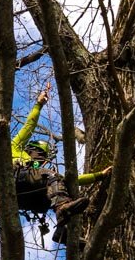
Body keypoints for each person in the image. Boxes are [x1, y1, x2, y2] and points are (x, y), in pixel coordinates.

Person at [10, 83, 106, 243]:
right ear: (30, 149)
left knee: (57, 184)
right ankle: (62, 209)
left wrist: (99, 176)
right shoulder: (16, 149)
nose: (40, 159)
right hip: (16, 182)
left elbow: (69, 180)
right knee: (52, 176)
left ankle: (63, 231)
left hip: (28, 200)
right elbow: (29, 126)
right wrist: (39, 104)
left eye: (43, 157)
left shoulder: (38, 171)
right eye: (39, 154)